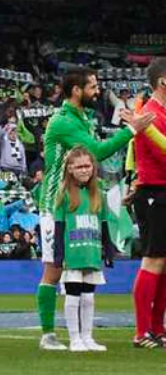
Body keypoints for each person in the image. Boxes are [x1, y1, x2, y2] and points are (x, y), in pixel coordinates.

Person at [35, 67, 151, 349]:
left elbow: (91, 161)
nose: (97, 91)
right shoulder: (63, 121)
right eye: (93, 86)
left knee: (84, 269)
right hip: (56, 203)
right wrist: (131, 131)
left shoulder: (82, 118)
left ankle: (81, 335)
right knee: (54, 268)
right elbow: (96, 152)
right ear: (76, 90)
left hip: (82, 203)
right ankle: (48, 334)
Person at [51, 148, 109, 352]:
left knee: (89, 296)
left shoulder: (98, 193)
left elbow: (103, 225)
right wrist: (58, 255)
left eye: (88, 166)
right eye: (80, 166)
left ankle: (88, 337)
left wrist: (107, 251)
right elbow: (59, 228)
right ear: (70, 169)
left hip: (91, 252)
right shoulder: (64, 194)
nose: (85, 170)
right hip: (73, 253)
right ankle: (74, 338)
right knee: (73, 295)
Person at [132, 60, 166, 348]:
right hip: (155, 193)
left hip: (161, 192)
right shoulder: (150, 115)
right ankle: (142, 331)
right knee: (153, 259)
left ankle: (157, 328)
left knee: (164, 263)